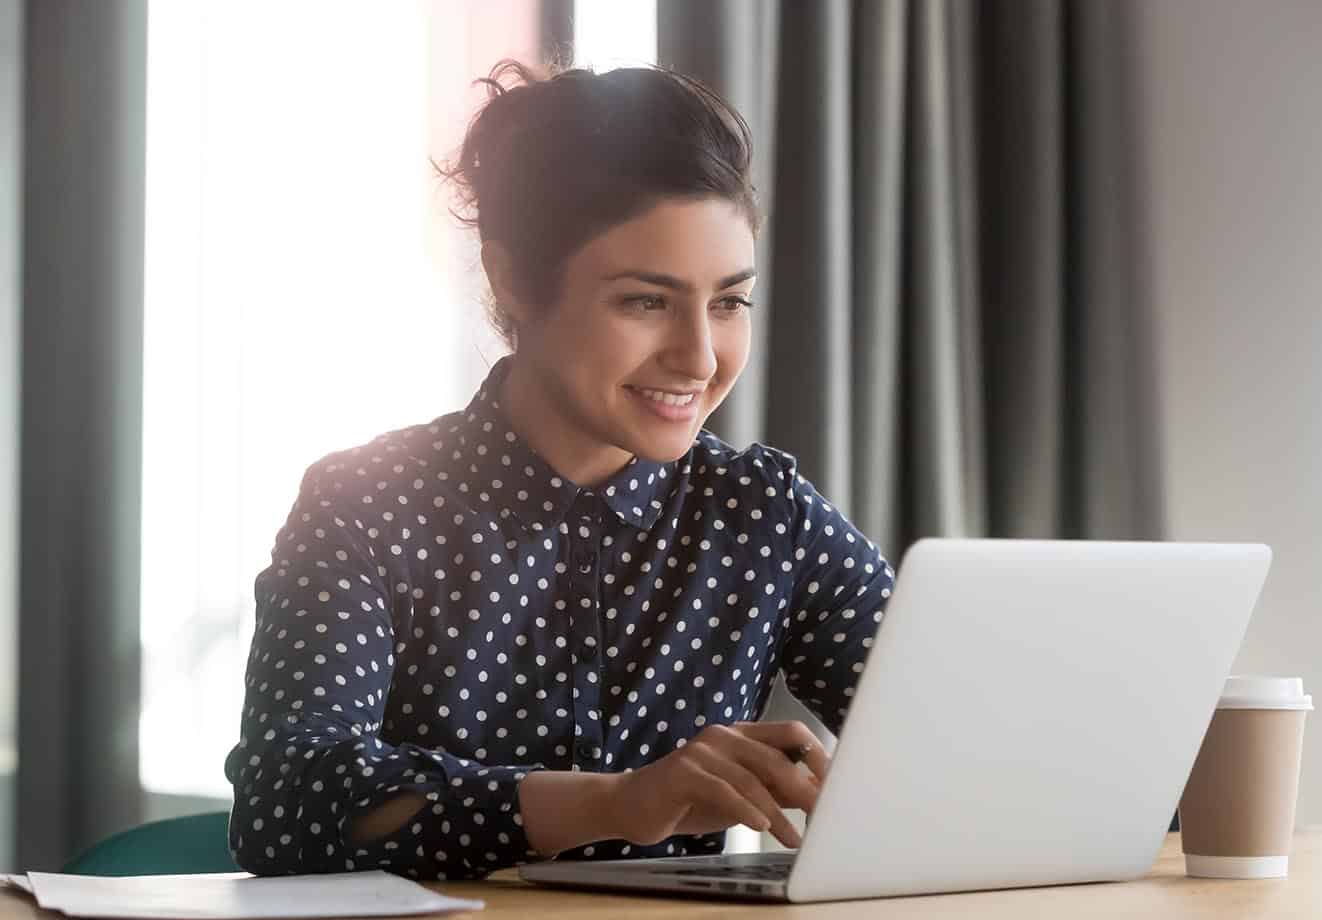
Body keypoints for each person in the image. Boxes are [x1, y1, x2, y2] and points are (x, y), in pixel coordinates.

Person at [224, 59, 895, 881]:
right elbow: (287, 805)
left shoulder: (764, 514)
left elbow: (956, 739)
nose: (699, 357)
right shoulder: (366, 503)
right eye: (645, 301)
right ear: (513, 280)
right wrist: (619, 802)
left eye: (729, 302)